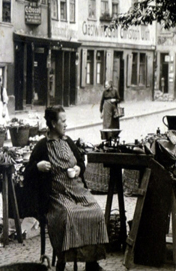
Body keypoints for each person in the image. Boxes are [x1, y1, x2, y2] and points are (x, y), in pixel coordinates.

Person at [24, 106, 109, 271]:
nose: (66, 124)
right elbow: (27, 174)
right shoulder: (42, 146)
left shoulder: (68, 141)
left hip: (77, 191)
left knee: (96, 211)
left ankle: (91, 262)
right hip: (57, 195)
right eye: (63, 121)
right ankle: (63, 259)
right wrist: (38, 167)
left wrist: (78, 169)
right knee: (69, 215)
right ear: (54, 123)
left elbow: (81, 162)